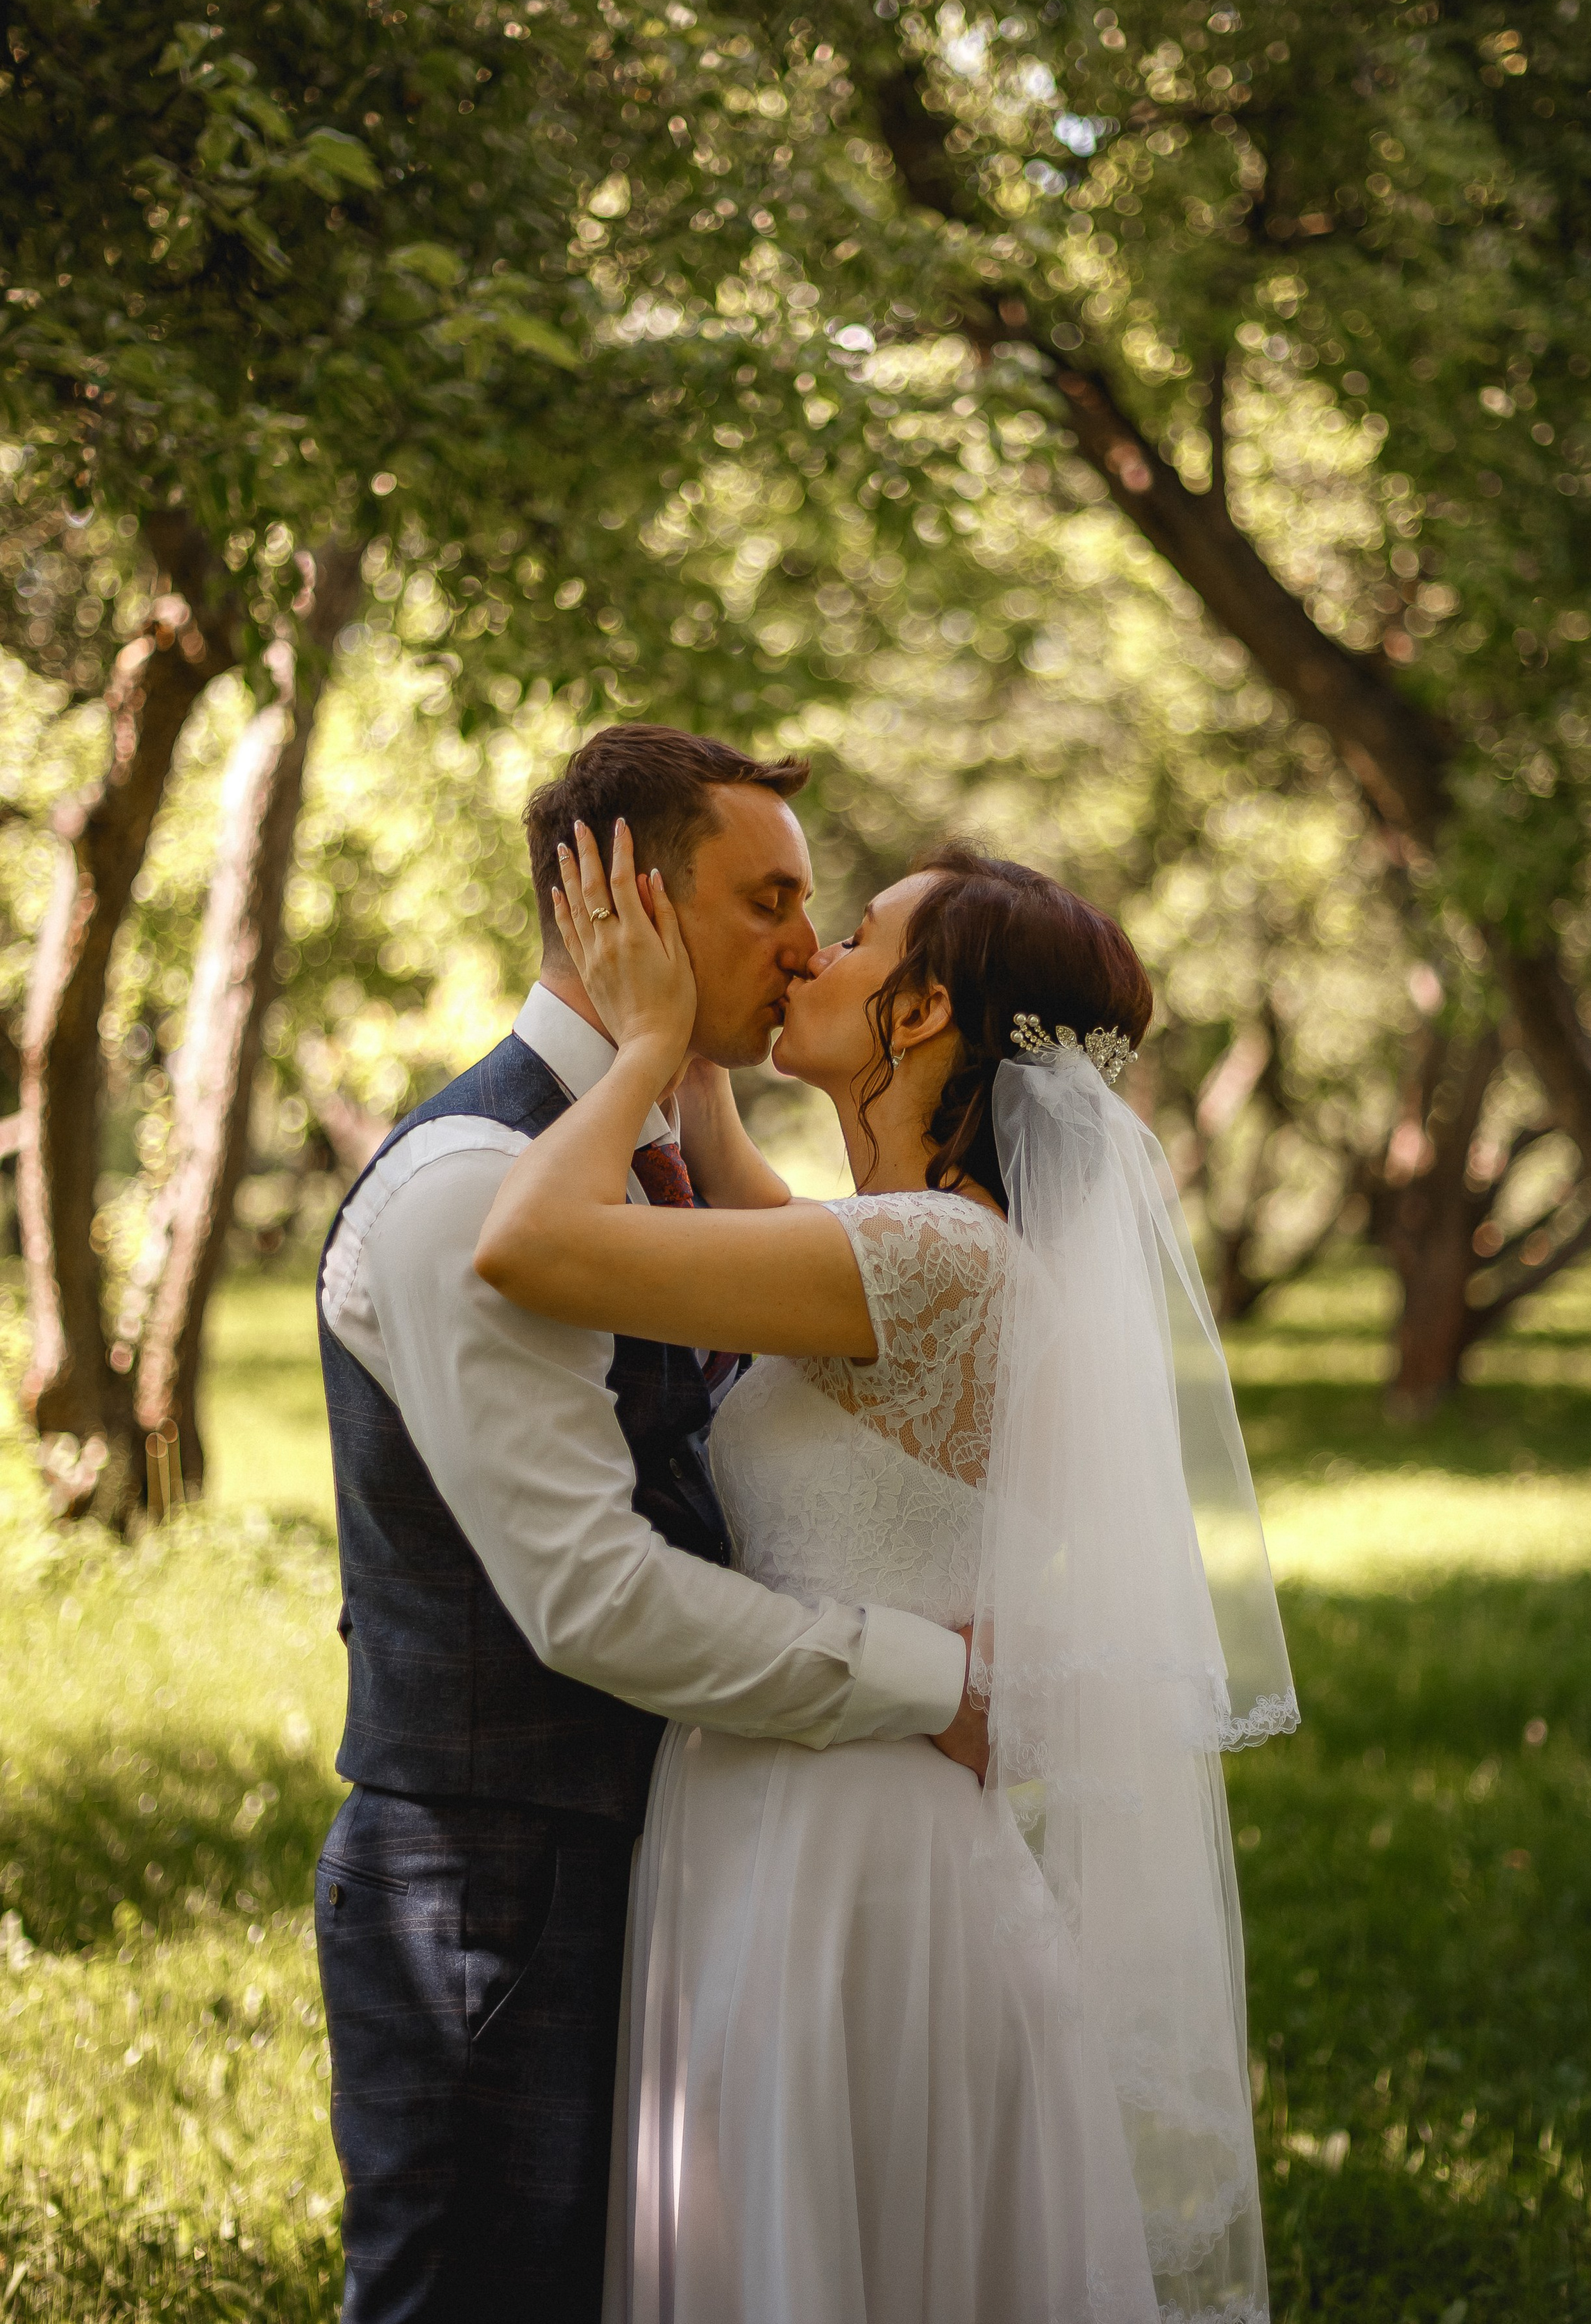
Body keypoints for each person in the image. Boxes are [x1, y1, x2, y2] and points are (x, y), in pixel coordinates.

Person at [476, 820, 1299, 2323]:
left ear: (919, 1016)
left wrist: (648, 1032)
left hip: (830, 1843)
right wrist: (700, 1046)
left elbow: (527, 1240)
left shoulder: (931, 1262)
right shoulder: (925, 1250)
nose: (808, 950)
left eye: (848, 934)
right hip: (846, 1809)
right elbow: (753, 1202)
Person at [312, 726, 986, 2324]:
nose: (805, 945)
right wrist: (934, 1679)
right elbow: (594, 1600)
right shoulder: (470, 1179)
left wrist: (666, 1070)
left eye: (816, 909)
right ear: (623, 900)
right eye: (766, 899)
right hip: (492, 1893)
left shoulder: (669, 1163)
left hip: (659, 1868)